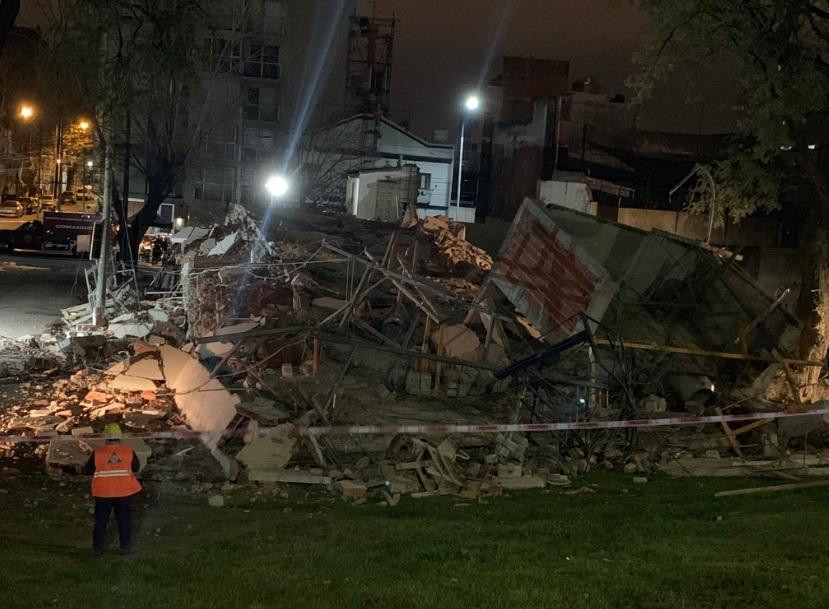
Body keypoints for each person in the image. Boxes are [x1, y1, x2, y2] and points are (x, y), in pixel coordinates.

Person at [82, 423, 142, 556]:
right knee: (124, 521)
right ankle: (125, 547)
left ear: (105, 437)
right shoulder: (128, 451)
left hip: (103, 493)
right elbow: (136, 468)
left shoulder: (98, 453)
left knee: (101, 522)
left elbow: (87, 470)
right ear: (120, 437)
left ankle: (97, 548)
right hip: (125, 492)